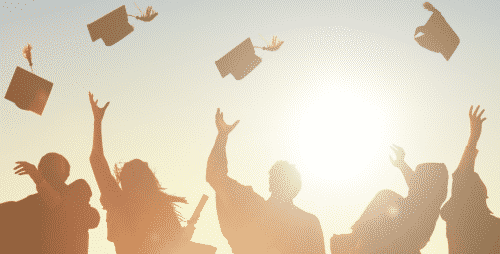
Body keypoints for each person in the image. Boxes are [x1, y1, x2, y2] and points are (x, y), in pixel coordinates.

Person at [206, 108, 325, 254]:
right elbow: (216, 177)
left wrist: (222, 136)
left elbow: (216, 176)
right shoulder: (308, 223)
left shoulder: (252, 206)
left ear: (270, 184)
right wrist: (222, 136)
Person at [88, 92, 191, 254]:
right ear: (150, 178)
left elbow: (96, 160)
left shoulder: (119, 201)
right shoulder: (161, 206)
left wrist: (97, 121)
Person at [331, 145, 448, 254]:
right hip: (402, 232)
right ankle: (357, 236)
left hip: (407, 233)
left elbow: (418, 187)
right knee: (387, 198)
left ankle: (356, 236)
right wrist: (402, 164)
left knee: (386, 196)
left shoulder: (422, 206)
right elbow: (415, 184)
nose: (414, 184)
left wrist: (356, 235)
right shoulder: (420, 203)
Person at [0, 153, 100, 254]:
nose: (45, 170)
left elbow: (67, 211)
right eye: (42, 167)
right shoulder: (31, 202)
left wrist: (39, 180)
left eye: (52, 166)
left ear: (66, 174)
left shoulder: (77, 193)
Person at [440, 106, 500, 253]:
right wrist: (473, 137)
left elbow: (462, 175)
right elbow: (462, 174)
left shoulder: (455, 221)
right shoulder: (491, 226)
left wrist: (473, 137)